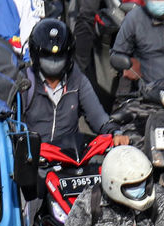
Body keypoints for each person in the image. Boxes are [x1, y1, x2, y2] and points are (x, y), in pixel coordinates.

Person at [24, 19, 122, 150]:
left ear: (69, 56)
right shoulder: (24, 83)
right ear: (35, 55)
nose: (53, 62)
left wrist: (115, 132)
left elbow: (99, 119)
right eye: (47, 56)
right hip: (32, 162)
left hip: (68, 162)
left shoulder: (78, 81)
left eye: (59, 57)